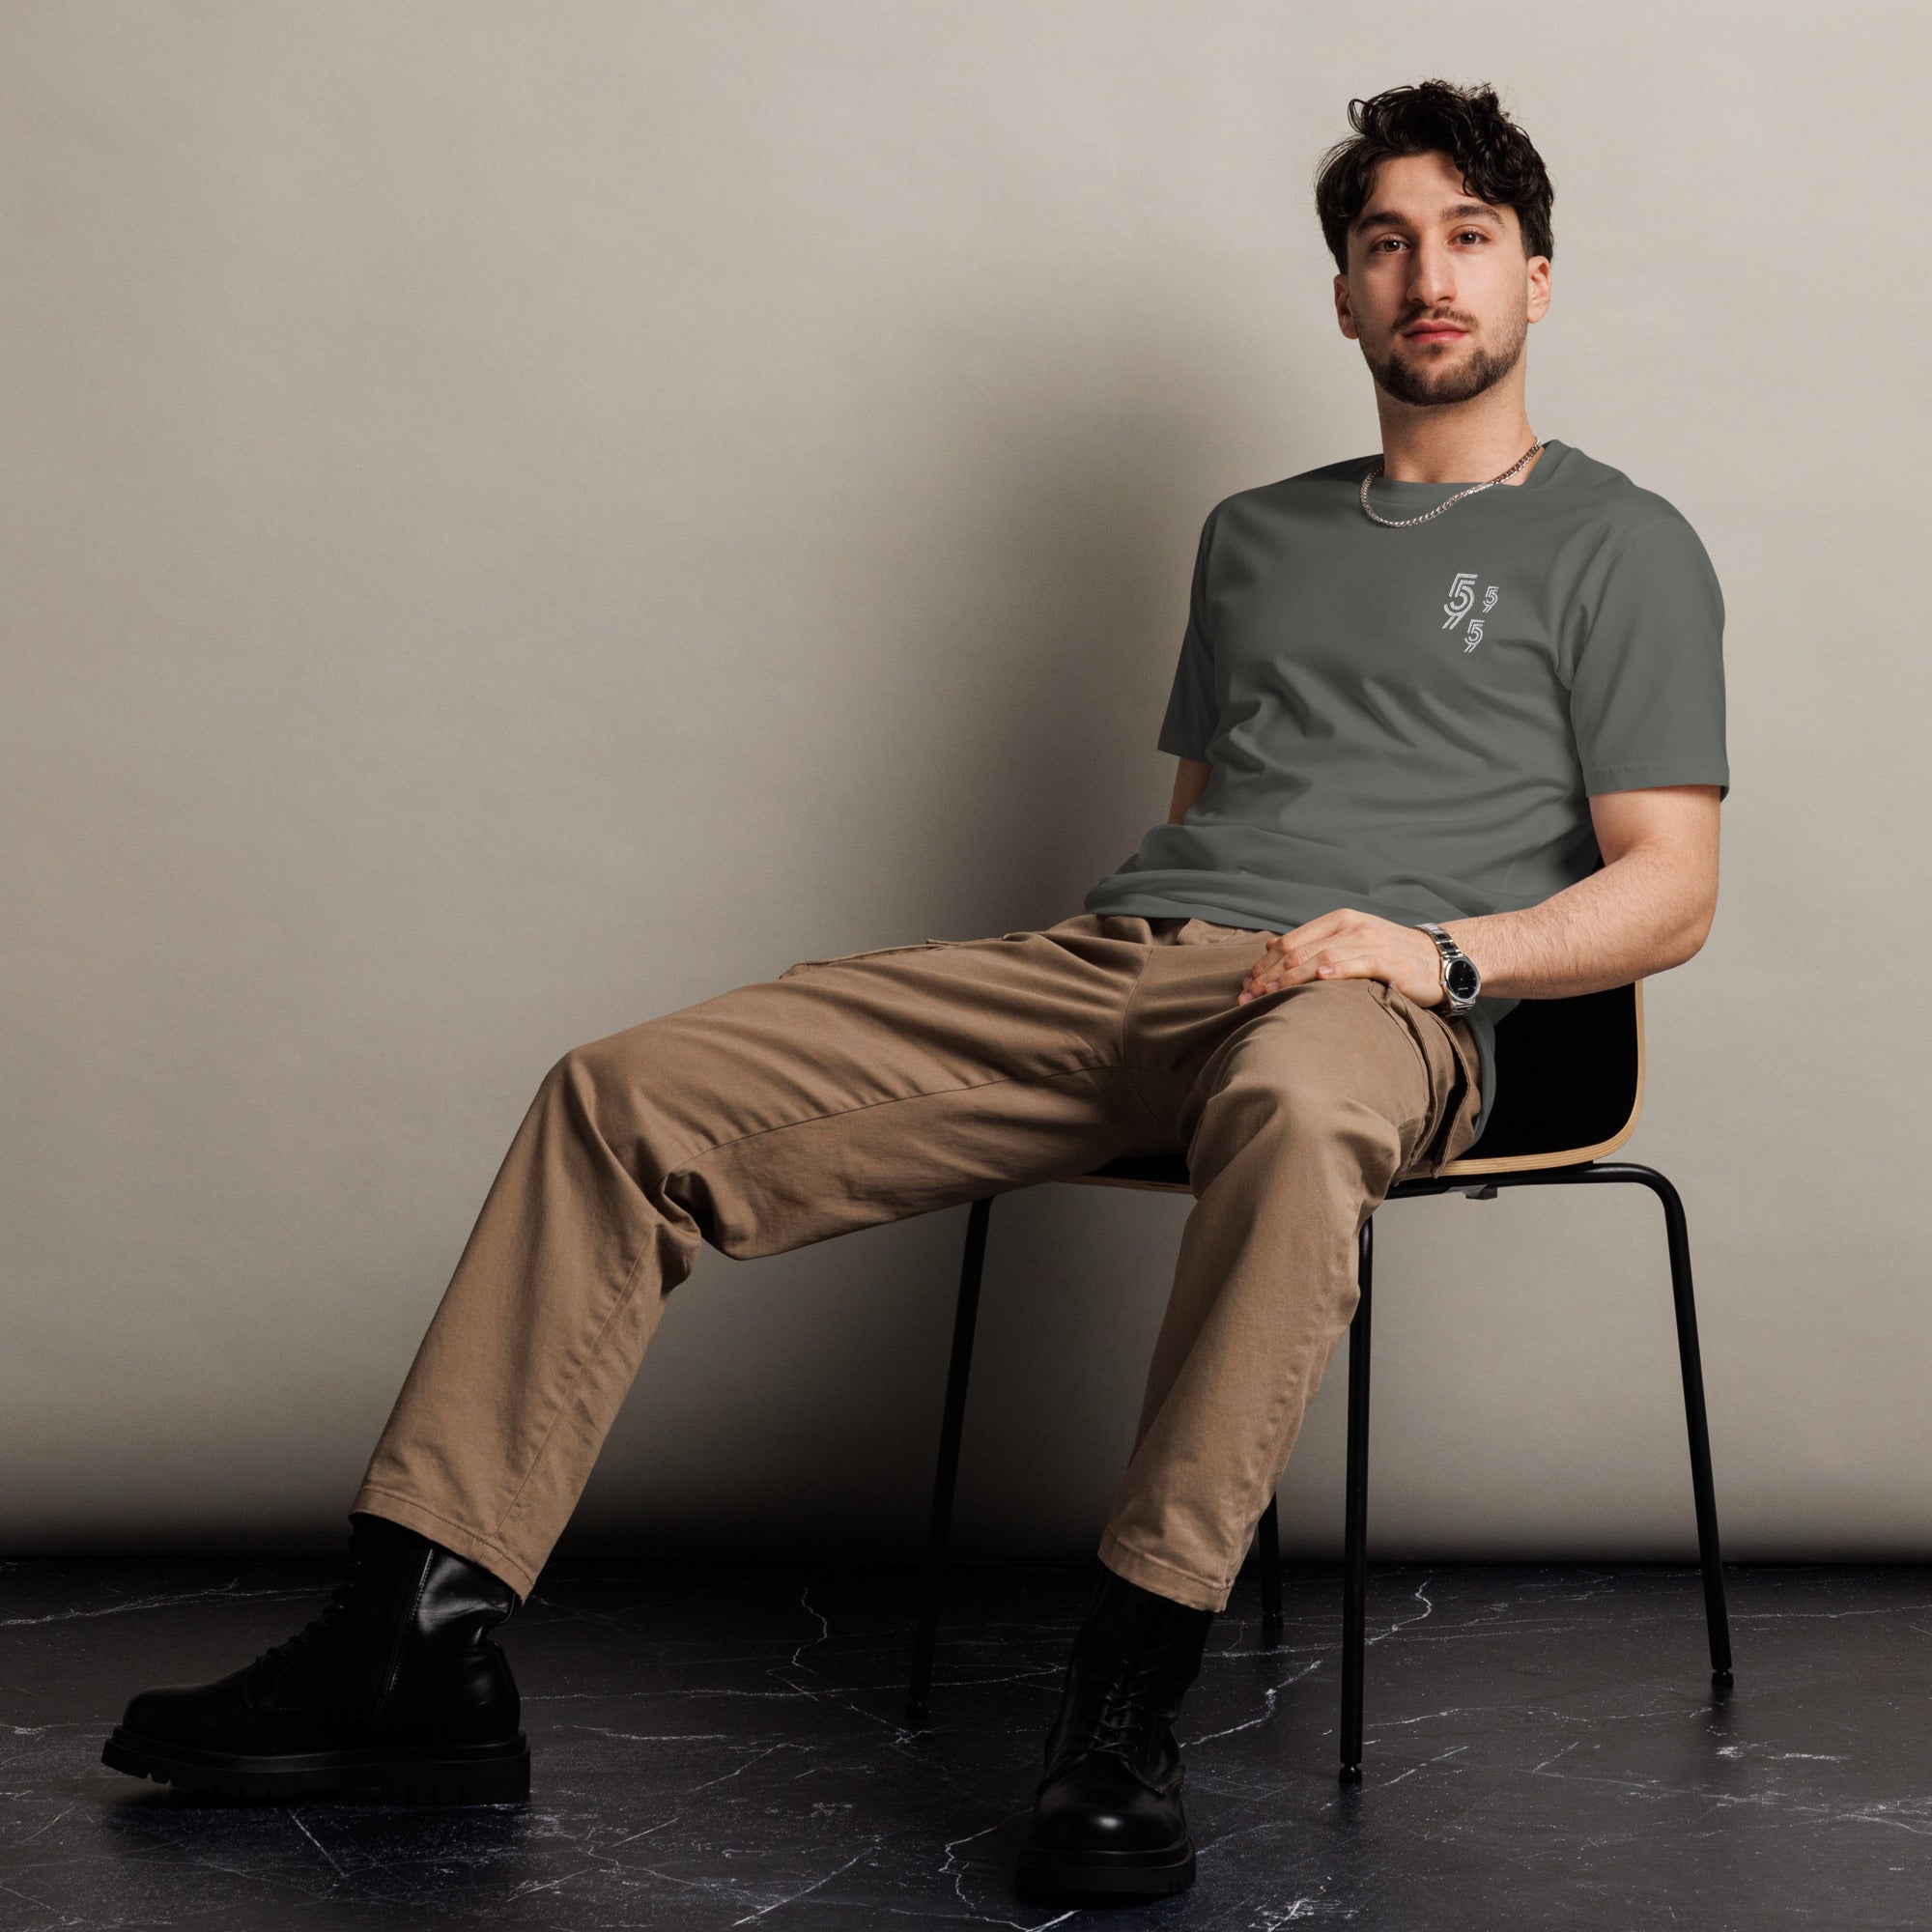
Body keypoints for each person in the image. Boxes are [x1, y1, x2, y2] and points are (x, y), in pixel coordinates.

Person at [101, 76, 1727, 1908]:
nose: (1428, 274)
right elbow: (1202, 821)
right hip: (1129, 969)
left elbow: (1670, 887)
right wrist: (1145, 967)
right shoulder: (1251, 536)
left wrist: (1434, 952)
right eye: (1384, 242)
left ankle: (1123, 1701)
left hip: (1380, 1007)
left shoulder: (1623, 542)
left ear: (1536, 280)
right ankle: (417, 1637)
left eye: (1469, 238)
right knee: (621, 1095)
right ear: (1342, 296)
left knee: (1292, 1105)